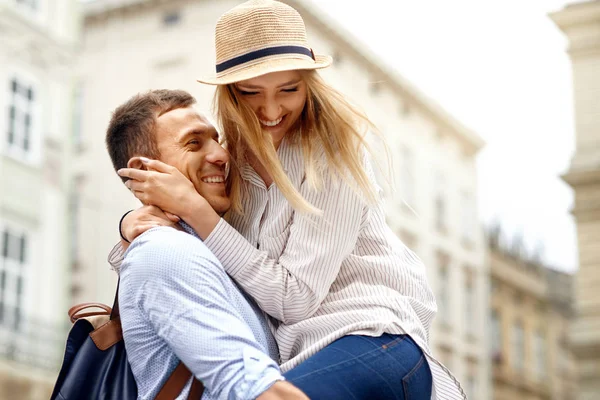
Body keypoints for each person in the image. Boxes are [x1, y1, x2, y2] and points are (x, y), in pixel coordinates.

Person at [116, 0, 465, 398]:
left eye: (289, 89)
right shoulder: (230, 163)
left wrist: (193, 210)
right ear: (230, 93)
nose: (270, 110)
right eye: (251, 92)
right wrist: (133, 224)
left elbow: (294, 299)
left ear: (308, 84)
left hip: (371, 340)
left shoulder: (333, 156)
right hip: (298, 360)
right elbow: (184, 263)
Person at [105, 89, 308, 400]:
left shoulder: (217, 247)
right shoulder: (165, 251)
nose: (222, 156)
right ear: (144, 171)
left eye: (217, 141)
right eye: (194, 143)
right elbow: (253, 389)